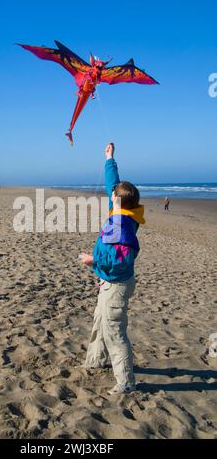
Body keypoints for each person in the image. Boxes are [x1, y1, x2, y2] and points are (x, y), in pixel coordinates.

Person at [79, 142, 145, 394]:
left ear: (119, 203)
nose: (110, 196)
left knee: (115, 333)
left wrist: (93, 261)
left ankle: (126, 383)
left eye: (113, 196)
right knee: (100, 321)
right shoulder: (124, 208)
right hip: (109, 280)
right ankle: (97, 360)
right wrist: (109, 158)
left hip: (117, 284)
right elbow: (112, 186)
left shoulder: (123, 225)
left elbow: (123, 259)